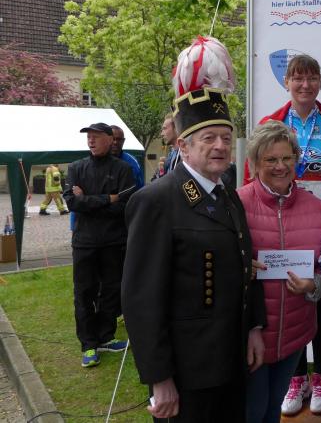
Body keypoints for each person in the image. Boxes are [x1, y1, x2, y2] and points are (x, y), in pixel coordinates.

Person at [122, 36, 265, 422]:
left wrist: (254, 327)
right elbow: (141, 299)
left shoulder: (228, 194)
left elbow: (245, 267)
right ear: (183, 147)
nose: (220, 146)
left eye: (225, 137)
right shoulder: (156, 201)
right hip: (187, 372)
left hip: (231, 361)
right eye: (208, 138)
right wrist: (159, 378)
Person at [244, 54, 321, 415]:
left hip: (319, 218)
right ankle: (296, 379)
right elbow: (252, 173)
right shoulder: (270, 122)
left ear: (320, 81)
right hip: (276, 214)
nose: (305, 85)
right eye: (297, 78)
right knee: (282, 291)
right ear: (286, 82)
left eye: (311, 78)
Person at [238, 121, 321, 423]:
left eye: (287, 158)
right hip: (250, 336)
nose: (280, 166)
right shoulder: (236, 204)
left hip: (294, 335)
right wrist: (240, 268)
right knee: (252, 413)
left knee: (272, 412)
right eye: (271, 159)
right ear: (255, 163)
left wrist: (313, 286)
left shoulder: (318, 209)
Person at [63, 122, 135, 368]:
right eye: (88, 137)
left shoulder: (123, 169)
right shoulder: (76, 168)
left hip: (113, 242)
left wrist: (88, 200)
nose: (91, 141)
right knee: (84, 293)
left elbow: (124, 206)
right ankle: (88, 344)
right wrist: (107, 199)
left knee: (111, 291)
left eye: (96, 136)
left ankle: (105, 336)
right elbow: (72, 203)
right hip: (84, 243)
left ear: (109, 139)